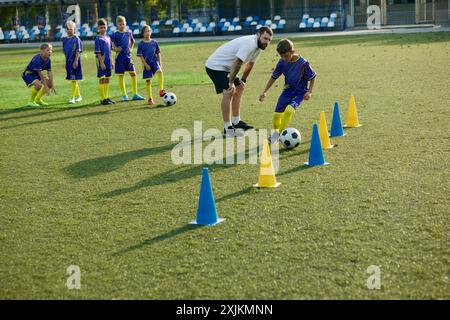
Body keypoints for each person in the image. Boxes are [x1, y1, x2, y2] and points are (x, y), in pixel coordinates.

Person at [205, 26, 273, 137]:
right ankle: (228, 128)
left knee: (240, 87)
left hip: (226, 68)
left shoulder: (259, 47)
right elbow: (237, 63)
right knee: (229, 90)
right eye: (265, 38)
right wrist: (231, 82)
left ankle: (237, 122)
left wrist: (243, 80)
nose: (267, 42)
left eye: (269, 40)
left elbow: (250, 64)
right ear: (258, 35)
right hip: (215, 66)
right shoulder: (249, 44)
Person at [259, 39, 317, 143]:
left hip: (300, 92)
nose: (284, 58)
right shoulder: (282, 62)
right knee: (276, 116)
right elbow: (273, 77)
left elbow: (312, 77)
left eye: (286, 56)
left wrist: (310, 91)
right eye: (281, 56)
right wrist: (264, 91)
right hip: (287, 91)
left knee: (289, 111)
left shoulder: (304, 63)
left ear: (292, 51)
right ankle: (277, 134)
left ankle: (276, 136)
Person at [111, 15, 144, 101]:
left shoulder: (129, 33)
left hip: (128, 57)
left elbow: (132, 42)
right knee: (121, 76)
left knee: (133, 74)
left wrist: (131, 49)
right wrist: (115, 49)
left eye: (123, 24)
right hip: (119, 58)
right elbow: (109, 45)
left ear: (125, 24)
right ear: (117, 25)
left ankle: (135, 94)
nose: (122, 26)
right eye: (120, 24)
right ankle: (124, 95)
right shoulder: (115, 35)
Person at [137, 25, 166, 106]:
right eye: (145, 31)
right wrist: (145, 64)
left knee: (160, 72)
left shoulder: (154, 42)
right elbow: (141, 56)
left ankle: (161, 90)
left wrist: (160, 63)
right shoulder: (141, 44)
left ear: (151, 32)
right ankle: (150, 98)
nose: (147, 33)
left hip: (154, 62)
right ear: (143, 33)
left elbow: (158, 53)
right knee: (148, 81)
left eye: (149, 31)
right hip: (147, 65)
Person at [22, 43, 55, 107]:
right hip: (29, 74)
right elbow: (41, 74)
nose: (50, 52)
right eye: (48, 50)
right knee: (38, 85)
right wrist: (45, 87)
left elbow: (49, 72)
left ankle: (38, 99)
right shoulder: (37, 59)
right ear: (41, 51)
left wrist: (52, 85)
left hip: (36, 74)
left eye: (51, 50)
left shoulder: (48, 60)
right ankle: (31, 102)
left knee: (49, 84)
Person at [94, 18, 115, 105]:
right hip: (102, 62)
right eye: (101, 27)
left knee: (107, 79)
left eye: (104, 27)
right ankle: (102, 99)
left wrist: (112, 61)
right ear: (98, 28)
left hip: (108, 61)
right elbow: (98, 53)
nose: (103, 29)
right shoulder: (98, 39)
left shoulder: (108, 38)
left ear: (106, 27)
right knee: (102, 79)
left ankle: (106, 97)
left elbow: (110, 50)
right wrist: (101, 63)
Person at [62, 20, 83, 104]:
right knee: (72, 79)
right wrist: (66, 61)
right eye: (68, 29)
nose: (70, 30)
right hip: (68, 62)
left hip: (75, 62)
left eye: (71, 29)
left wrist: (76, 61)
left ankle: (73, 97)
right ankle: (79, 96)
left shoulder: (76, 39)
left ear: (74, 29)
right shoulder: (64, 40)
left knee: (74, 79)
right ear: (66, 30)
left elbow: (78, 51)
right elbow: (64, 51)